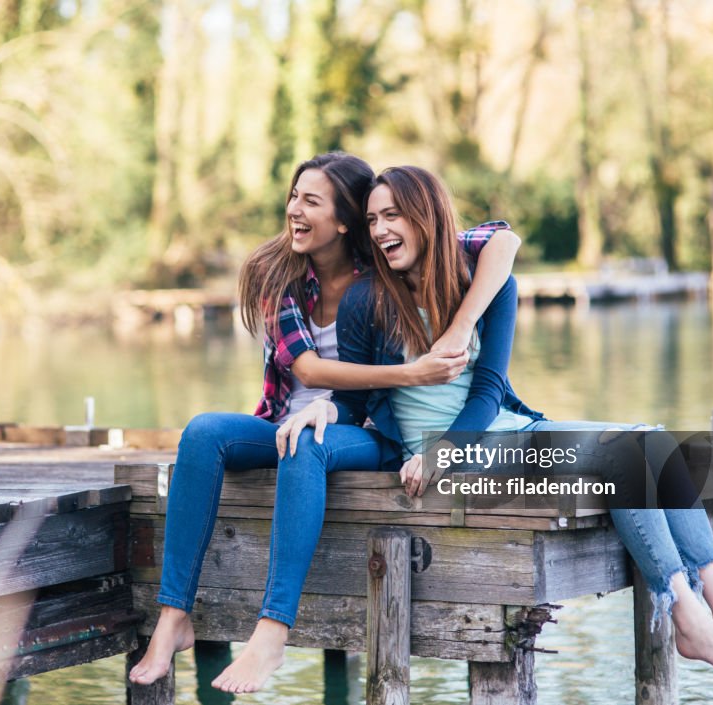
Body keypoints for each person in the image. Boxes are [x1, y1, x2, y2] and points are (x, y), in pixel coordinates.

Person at [278, 165, 713, 679]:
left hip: (508, 433)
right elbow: (357, 396)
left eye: (392, 215)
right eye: (372, 220)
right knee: (623, 460)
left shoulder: (487, 287)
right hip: (456, 457)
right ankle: (685, 614)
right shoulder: (366, 300)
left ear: (427, 216)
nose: (380, 230)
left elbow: (489, 388)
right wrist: (342, 412)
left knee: (649, 439)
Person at [128, 152, 522, 692]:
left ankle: (271, 633)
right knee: (201, 432)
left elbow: (500, 242)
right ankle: (174, 616)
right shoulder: (280, 274)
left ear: (344, 220)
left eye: (310, 200)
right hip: (288, 421)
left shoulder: (381, 269)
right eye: (293, 196)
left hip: (361, 432)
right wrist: (411, 373)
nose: (294, 209)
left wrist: (458, 330)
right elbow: (308, 368)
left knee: (306, 445)